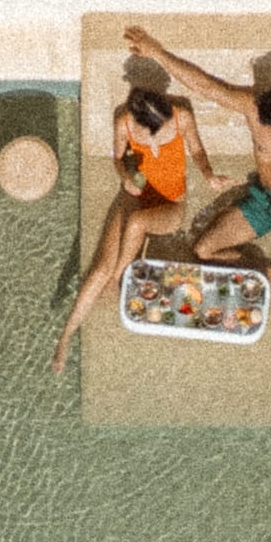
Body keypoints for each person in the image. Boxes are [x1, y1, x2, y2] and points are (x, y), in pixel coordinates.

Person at [124, 25, 271, 325]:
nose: (266, 130)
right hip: (263, 198)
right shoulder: (253, 105)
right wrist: (156, 52)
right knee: (204, 251)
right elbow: (206, 86)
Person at [52, 84, 228, 373]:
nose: (160, 130)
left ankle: (117, 279)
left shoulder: (180, 115)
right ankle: (66, 336)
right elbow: (118, 157)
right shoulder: (124, 121)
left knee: (135, 226)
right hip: (136, 194)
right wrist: (124, 177)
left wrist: (208, 174)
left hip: (172, 204)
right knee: (99, 268)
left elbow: (196, 148)